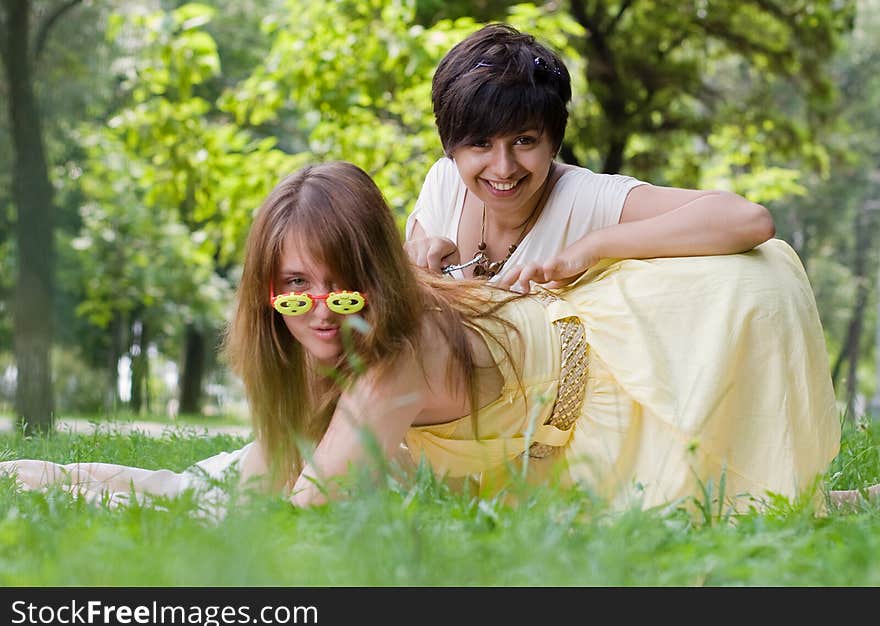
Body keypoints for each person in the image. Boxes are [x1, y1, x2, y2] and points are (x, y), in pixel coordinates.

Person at [1, 161, 877, 513]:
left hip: (615, 372)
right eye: (292, 284)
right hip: (536, 366)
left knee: (734, 500)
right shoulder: (329, 329)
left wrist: (124, 493)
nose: (315, 306)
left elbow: (298, 517)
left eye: (337, 283)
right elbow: (263, 470)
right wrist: (68, 476)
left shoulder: (391, 366)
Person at [404, 23, 775, 289]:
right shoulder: (444, 182)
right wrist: (415, 257)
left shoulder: (586, 199)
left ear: (554, 140)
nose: (503, 167)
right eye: (481, 144)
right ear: (450, 143)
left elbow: (748, 220)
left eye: (524, 141)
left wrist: (594, 247)